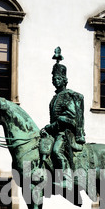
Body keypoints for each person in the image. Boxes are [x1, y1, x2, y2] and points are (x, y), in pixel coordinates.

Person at [41, 48, 85, 190]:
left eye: (58, 78)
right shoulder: (54, 99)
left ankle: (67, 178)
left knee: (56, 151)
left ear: (65, 80)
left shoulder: (68, 96)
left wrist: (59, 120)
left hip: (67, 133)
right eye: (54, 78)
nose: (55, 80)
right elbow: (53, 122)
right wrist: (48, 129)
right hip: (56, 132)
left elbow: (72, 119)